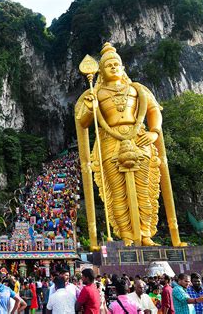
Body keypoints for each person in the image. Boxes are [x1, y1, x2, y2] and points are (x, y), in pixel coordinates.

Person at [75, 42, 185, 248]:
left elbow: (154, 112)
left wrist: (154, 132)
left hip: (139, 138)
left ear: (123, 67)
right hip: (109, 142)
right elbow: (83, 122)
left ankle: (145, 234)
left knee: (144, 189)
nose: (114, 67)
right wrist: (90, 107)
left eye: (117, 64)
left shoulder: (138, 89)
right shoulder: (96, 93)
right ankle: (126, 235)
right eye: (109, 65)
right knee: (117, 192)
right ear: (101, 71)